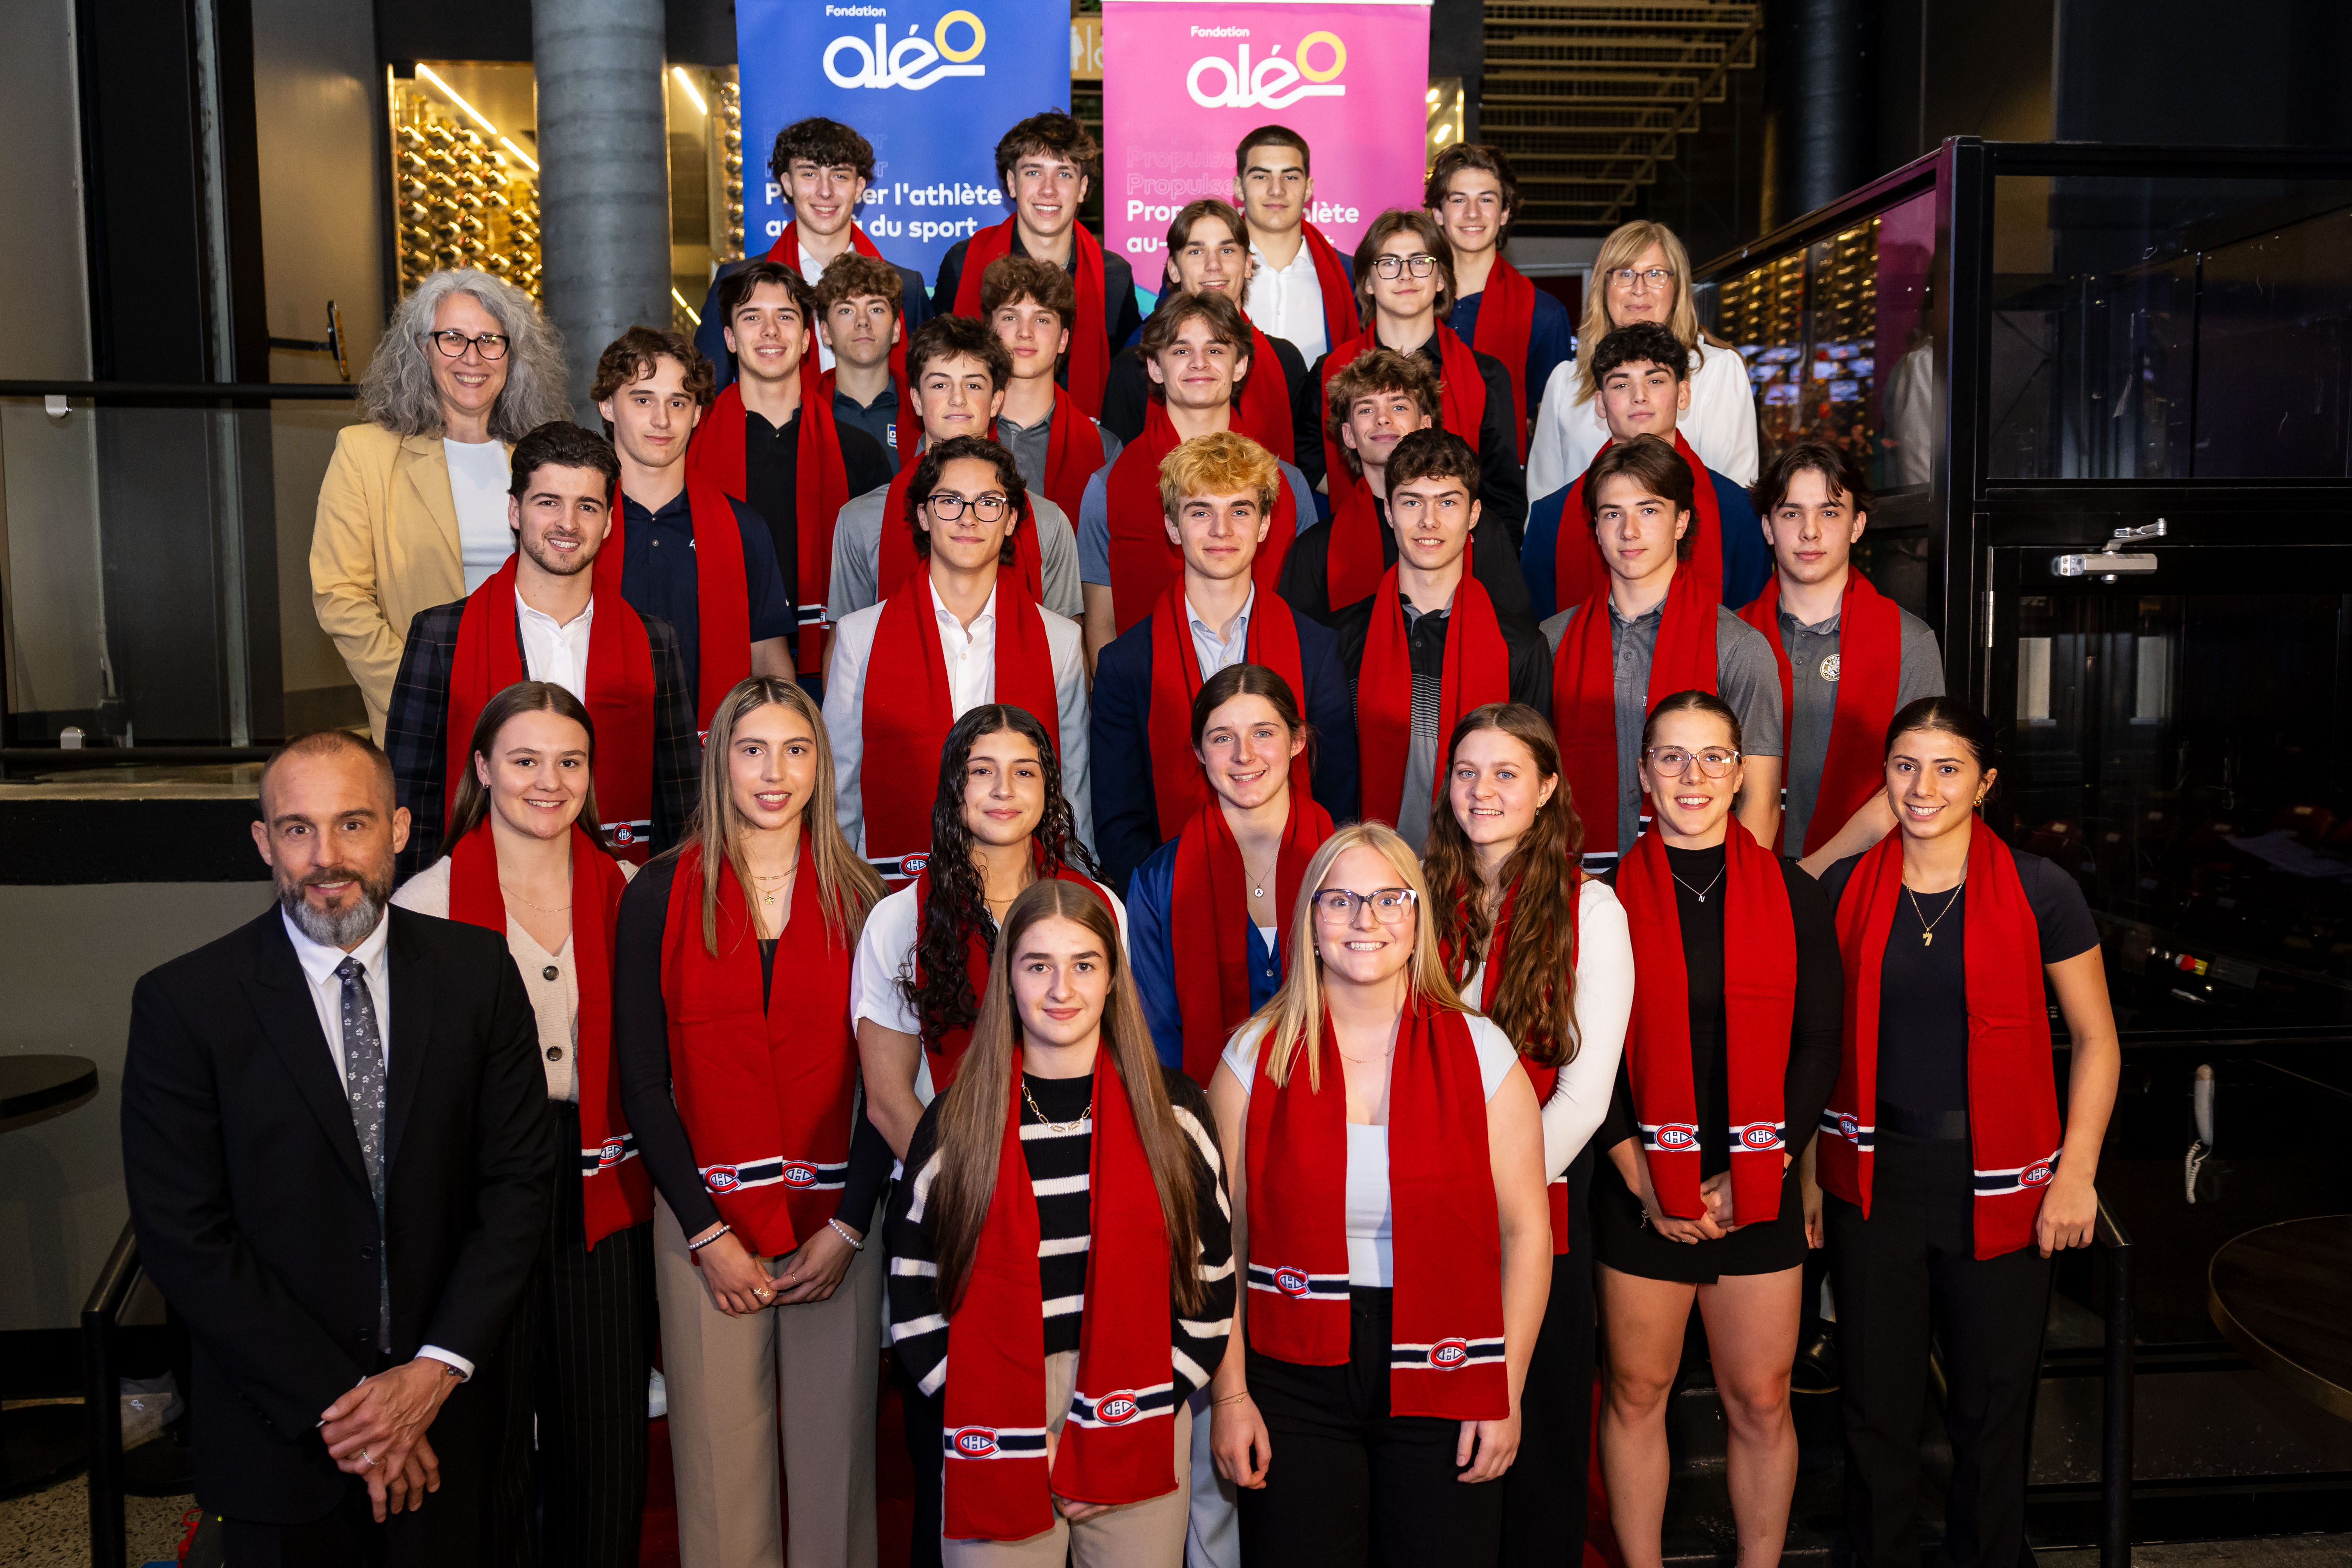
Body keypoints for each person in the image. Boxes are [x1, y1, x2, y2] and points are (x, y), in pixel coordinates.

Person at [122, 729, 549, 1565]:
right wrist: (349, 1407)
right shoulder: (185, 1004)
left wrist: (431, 1374)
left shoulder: (478, 974)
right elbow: (185, 1237)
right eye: (297, 829)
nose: (326, 857)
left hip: (447, 1422)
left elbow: (519, 1187)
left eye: (352, 825)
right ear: (263, 843)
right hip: (277, 1443)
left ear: (397, 829)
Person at [1814, 696, 2119, 1568]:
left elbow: (2097, 1040)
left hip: (2007, 1181)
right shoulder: (1849, 887)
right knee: (1877, 1404)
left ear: (1984, 783)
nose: (1923, 787)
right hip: (1874, 1176)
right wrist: (1806, 1176)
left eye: (1948, 768)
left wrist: (2077, 1174)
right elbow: (1819, 1041)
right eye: (1906, 765)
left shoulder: (2039, 890)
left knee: (1992, 1403)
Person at [1206, 823, 1552, 1565]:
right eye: (1340, 901)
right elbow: (1218, 1246)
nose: (1365, 921)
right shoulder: (1250, 1058)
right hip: (1290, 1373)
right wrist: (1230, 1397)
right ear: (1310, 919)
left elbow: (1527, 1233)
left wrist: (1505, 1386)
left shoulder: (1482, 1052)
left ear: (1418, 914)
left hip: (1447, 1366)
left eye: (1388, 898)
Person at [613, 677, 894, 1568]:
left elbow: (891, 1082)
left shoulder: (870, 902)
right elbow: (643, 1082)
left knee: (836, 1478)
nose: (775, 773)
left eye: (796, 750)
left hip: (837, 1225)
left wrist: (851, 1223)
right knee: (719, 1484)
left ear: (821, 763)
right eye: (753, 750)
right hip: (703, 1223)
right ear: (719, 762)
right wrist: (706, 1233)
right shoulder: (657, 894)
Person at [885, 879, 1235, 1566]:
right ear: (1008, 980)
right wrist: (1007, 1430)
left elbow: (1210, 1286)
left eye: (1083, 964)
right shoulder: (954, 1125)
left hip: (1138, 1400)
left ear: (1111, 979)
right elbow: (913, 1298)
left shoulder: (1176, 1114)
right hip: (990, 1408)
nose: (1060, 988)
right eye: (1036, 965)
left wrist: (1122, 1428)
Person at [851, 705, 1125, 1568]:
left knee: (1085, 1464)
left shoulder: (1097, 907)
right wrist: (977, 1191)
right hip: (954, 1221)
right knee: (957, 1463)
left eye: (1025, 772)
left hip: (1079, 1216)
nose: (1003, 790)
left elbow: (1121, 1077)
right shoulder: (900, 918)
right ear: (951, 788)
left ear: (1052, 791)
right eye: (982, 770)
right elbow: (892, 1099)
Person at [390, 683, 653, 1568]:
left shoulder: (628, 891)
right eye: (526, 760)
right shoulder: (423, 904)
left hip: (601, 1182)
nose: (550, 781)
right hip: (478, 1194)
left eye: (570, 761)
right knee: (488, 1434)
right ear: (481, 770)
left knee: (604, 1440)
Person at [1594, 690, 1843, 1568]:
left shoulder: (1793, 892)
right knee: (1637, 1392)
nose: (1692, 776)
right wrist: (1641, 1182)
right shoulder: (1601, 903)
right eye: (1671, 757)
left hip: (1760, 1187)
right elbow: (1582, 1054)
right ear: (1643, 774)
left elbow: (1820, 1046)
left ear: (1742, 774)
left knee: (1761, 1399)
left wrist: (1758, 1173)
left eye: (1712, 757)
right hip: (1638, 1188)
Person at [1422, 702, 1635, 1568]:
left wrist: (1488, 1193)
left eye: (1507, 773)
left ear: (1548, 788)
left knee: (1538, 1437)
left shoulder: (1595, 912)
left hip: (1537, 1209)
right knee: (1441, 1446)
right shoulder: (1417, 895)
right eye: (1467, 772)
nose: (1483, 791)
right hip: (1424, 1211)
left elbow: (1586, 1097)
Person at [385, 421, 699, 880]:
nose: (568, 524)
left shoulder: (654, 642)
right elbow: (410, 804)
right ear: (515, 510)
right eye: (548, 502)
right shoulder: (440, 635)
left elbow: (682, 804)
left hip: (616, 891)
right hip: (472, 894)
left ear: (609, 520)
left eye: (587, 506)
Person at [1090, 432, 1357, 892]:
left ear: (1265, 524)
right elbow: (1120, 821)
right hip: (1172, 899)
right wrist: (1169, 905)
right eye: (1200, 512)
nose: (1221, 530)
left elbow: (1338, 796)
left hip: (1301, 892)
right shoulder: (1126, 663)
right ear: (1173, 527)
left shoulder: (1315, 649)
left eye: (1240, 510)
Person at [314, 268, 571, 736]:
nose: (472, 358)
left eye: (490, 340)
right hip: (424, 714)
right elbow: (340, 598)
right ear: (420, 350)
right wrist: (420, 691)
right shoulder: (363, 453)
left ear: (514, 356)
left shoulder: (541, 457)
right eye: (452, 338)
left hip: (537, 708)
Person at [825, 438, 1093, 880]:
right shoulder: (861, 637)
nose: (968, 518)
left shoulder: (1060, 641)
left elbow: (1073, 789)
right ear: (923, 515)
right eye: (950, 501)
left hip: (1025, 893)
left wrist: (1078, 886)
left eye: (988, 502)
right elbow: (841, 793)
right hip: (891, 889)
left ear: (1010, 520)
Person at [1543, 436, 1782, 868]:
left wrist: (1726, 901)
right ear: (1595, 528)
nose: (1628, 531)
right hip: (1571, 891)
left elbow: (1760, 805)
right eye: (1612, 513)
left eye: (1648, 511)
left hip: (1697, 889)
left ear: (1681, 522)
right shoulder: (1551, 642)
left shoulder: (1739, 648)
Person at [1335, 430, 1550, 850]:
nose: (1429, 521)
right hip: (1371, 876)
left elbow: (1534, 787)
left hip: (1480, 878)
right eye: (1412, 501)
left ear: (1474, 514)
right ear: (1389, 512)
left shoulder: (1522, 648)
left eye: (1447, 502)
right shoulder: (1341, 640)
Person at [1079, 291, 1319, 658]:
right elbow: (1101, 627)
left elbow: (1304, 617)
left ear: (1240, 366)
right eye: (1180, 351)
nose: (1199, 363)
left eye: (1216, 350)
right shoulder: (1107, 487)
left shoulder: (1289, 484)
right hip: (1149, 697)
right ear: (1155, 369)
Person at [1737, 443, 1944, 871]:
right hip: (1745, 869)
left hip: (1867, 873)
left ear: (1857, 525)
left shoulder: (1910, 642)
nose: (1810, 532)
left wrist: (1811, 874)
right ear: (1768, 528)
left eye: (1830, 512)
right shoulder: (1729, 640)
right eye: (1791, 513)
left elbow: (1916, 784)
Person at [682, 269, 892, 684]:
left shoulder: (860, 452)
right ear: (728, 338)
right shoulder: (690, 452)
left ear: (808, 339)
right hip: (717, 661)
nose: (770, 331)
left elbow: (883, 580)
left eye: (786, 316)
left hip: (835, 665)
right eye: (751, 317)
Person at [1127, 662, 1337, 1079]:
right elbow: (1157, 1040)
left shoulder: (1348, 866)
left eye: (1264, 733)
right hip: (1205, 1112)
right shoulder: (1157, 883)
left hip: (1337, 1101)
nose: (1245, 755)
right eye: (1223, 738)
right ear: (1200, 752)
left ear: (1297, 741)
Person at [828, 315, 1084, 621]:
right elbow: (845, 652)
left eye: (973, 385)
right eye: (940, 384)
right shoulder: (860, 520)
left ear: (996, 401)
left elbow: (1065, 654)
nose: (958, 399)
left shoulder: (1048, 523)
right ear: (917, 401)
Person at [1522, 321, 1774, 618]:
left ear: (1683, 394)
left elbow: (1752, 628)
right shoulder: (1550, 517)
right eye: (1621, 384)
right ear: (1601, 404)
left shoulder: (1739, 512)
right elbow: (1540, 641)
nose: (1639, 396)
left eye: (1655, 381)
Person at [1310, 209, 1526, 548]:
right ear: (1367, 282)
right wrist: (1374, 500)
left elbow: (1504, 495)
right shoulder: (1330, 371)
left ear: (1440, 279)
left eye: (1420, 261)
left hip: (1460, 557)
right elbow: (1306, 461)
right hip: (1357, 548)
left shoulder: (1486, 375)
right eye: (1389, 263)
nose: (1406, 275)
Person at [1281, 346, 1536, 629]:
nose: (1383, 418)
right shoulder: (1315, 549)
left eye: (1399, 406)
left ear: (1425, 425)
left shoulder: (1481, 529)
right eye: (1366, 409)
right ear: (1349, 435)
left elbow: (1517, 638)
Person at [1527, 219, 1759, 498]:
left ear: (1678, 288)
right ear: (1604, 286)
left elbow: (1737, 493)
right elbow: (1544, 497)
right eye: (1625, 274)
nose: (1639, 289)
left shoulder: (1718, 371)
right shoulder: (1567, 381)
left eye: (1656, 274)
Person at [694, 115, 934, 384]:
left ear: (859, 187)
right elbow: (707, 399)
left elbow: (928, 390)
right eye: (809, 174)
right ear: (787, 184)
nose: (825, 191)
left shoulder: (906, 287)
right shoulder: (736, 282)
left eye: (840, 175)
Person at [935, 111, 1142, 418]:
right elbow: (935, 367)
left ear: (1083, 188)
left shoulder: (1113, 277)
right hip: (978, 444)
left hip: (1086, 451)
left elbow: (1126, 386)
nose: (1049, 189)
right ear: (1011, 182)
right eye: (1033, 173)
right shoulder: (963, 263)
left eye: (1064, 174)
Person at [1102, 199, 1319, 466]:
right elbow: (1118, 480)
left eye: (1227, 250)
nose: (1214, 265)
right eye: (1196, 252)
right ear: (1173, 269)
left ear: (1248, 264)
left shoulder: (1286, 361)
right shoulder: (1134, 367)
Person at [1425, 145, 1572, 462]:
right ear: (1438, 212)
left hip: (1503, 490)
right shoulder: (1407, 300)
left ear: (1505, 213)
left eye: (1487, 200)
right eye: (1459, 199)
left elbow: (1555, 427)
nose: (1473, 213)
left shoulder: (1544, 314)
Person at [984, 256, 1124, 521]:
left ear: (1063, 339)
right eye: (1011, 316)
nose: (1026, 332)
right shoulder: (955, 434)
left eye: (1042, 320)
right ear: (990, 330)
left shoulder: (1106, 451)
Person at [1230, 125, 1357, 368]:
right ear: (1239, 187)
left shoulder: (1350, 276)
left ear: (1308, 188)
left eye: (1290, 177)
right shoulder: (1206, 270)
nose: (1276, 190)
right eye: (1261, 177)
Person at [816, 252, 919, 471]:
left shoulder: (925, 412)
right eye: (846, 311)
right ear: (825, 332)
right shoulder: (803, 415)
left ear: (897, 330)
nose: (863, 321)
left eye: (876, 310)